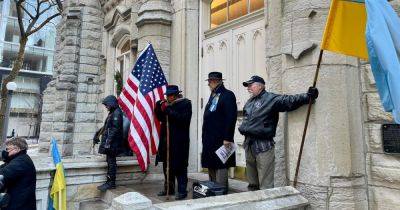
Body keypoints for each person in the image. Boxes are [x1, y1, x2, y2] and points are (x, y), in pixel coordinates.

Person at [238, 75, 319, 190]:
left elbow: (289, 101)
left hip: (263, 146)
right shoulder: (250, 101)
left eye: (251, 85)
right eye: (248, 86)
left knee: (265, 184)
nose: (248, 88)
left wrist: (307, 96)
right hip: (249, 144)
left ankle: (266, 206)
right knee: (252, 183)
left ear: (260, 86)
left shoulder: (271, 99)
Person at [155, 85, 192, 200]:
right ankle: (169, 189)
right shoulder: (167, 105)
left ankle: (182, 190)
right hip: (166, 142)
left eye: (170, 95)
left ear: (176, 95)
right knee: (167, 167)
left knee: (180, 167)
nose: (168, 97)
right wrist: (158, 107)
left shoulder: (185, 104)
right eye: (167, 95)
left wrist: (168, 110)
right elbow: (161, 118)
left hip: (179, 142)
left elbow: (183, 120)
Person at [201, 72, 237, 188]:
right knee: (211, 164)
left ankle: (221, 189)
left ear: (216, 81)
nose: (208, 84)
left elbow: (231, 118)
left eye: (210, 82)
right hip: (210, 138)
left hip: (221, 139)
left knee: (221, 165)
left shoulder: (227, 95)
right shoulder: (213, 95)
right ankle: (213, 187)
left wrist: (228, 138)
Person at [93, 95, 125, 192]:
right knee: (110, 162)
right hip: (111, 143)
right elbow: (106, 126)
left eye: (107, 105)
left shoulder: (117, 113)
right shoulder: (112, 112)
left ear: (112, 103)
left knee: (111, 163)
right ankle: (109, 182)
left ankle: (111, 183)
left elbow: (115, 129)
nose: (106, 106)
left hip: (113, 143)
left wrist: (108, 142)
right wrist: (97, 134)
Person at [0, 137, 36, 210]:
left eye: (8, 149)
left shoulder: (21, 162)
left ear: (17, 149)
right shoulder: (19, 159)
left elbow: (4, 173)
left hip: (19, 206)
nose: (6, 152)